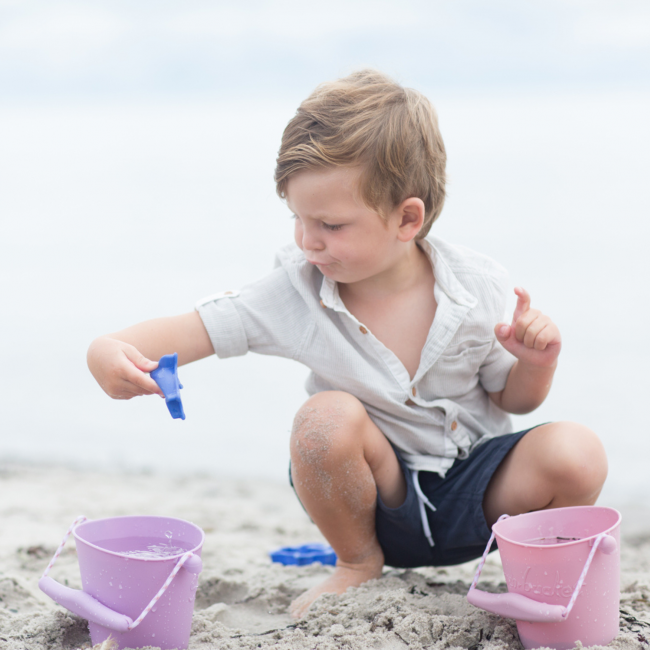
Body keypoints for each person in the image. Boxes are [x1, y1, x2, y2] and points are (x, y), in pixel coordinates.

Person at [87, 69, 608, 619]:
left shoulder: (476, 287)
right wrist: (107, 351)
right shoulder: (296, 292)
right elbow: (184, 331)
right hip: (370, 507)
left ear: (407, 218)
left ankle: (535, 571)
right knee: (324, 418)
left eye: (330, 224)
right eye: (297, 217)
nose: (308, 241)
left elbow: (514, 401)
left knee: (578, 452)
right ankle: (356, 566)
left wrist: (536, 364)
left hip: (479, 501)